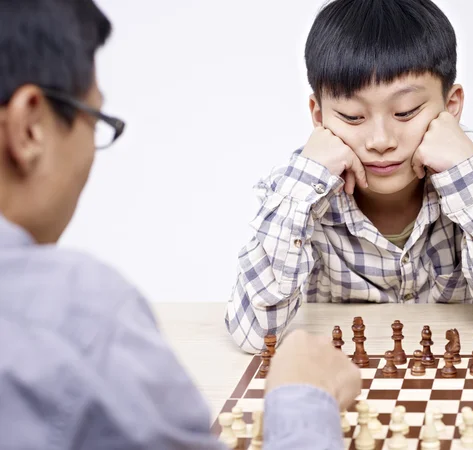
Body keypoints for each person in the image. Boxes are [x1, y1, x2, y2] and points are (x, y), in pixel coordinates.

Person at [0, 0, 361, 448]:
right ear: (30, 128)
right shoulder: (78, 316)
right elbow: (254, 330)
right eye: (97, 120)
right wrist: (303, 402)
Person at [225, 0, 473, 354]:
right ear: (319, 116)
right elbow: (253, 334)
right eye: (352, 116)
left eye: (405, 112)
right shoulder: (299, 187)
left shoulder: (469, 161)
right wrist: (303, 187)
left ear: (450, 106)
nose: (381, 141)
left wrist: (465, 173)